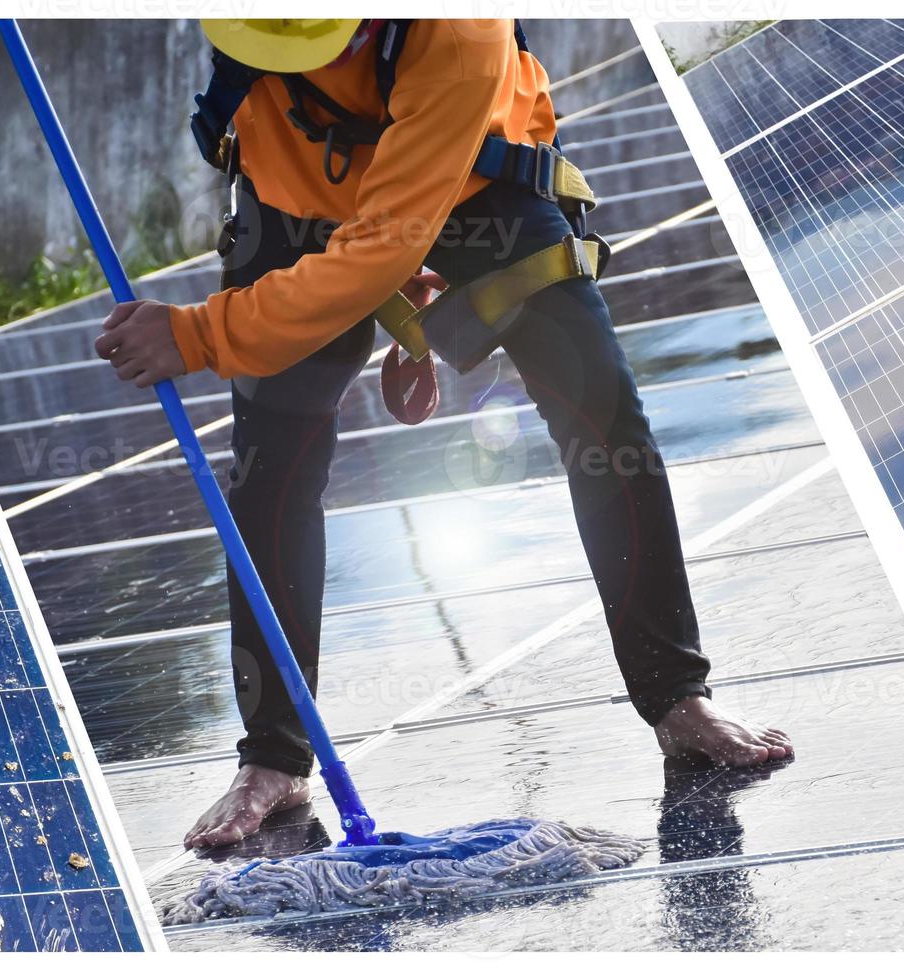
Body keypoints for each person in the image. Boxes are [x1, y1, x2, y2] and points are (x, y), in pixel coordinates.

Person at [92, 19, 793, 850]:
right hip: (294, 196)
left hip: (476, 181)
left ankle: (677, 698)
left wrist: (200, 334)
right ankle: (271, 760)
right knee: (269, 469)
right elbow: (359, 239)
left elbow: (384, 245)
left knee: (602, 418)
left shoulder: (456, 29)